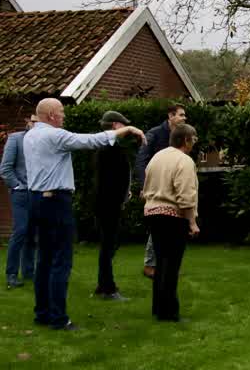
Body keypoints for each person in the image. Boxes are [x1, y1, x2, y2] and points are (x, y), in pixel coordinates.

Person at [24, 98, 145, 330]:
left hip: (36, 199)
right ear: (50, 115)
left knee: (45, 260)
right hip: (56, 201)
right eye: (61, 112)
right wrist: (126, 130)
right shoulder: (54, 136)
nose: (64, 116)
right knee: (61, 261)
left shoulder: (30, 136)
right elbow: (90, 140)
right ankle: (59, 319)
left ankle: (42, 313)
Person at [142, 123, 200, 322]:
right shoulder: (184, 161)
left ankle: (158, 308)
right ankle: (169, 312)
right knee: (171, 265)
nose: (194, 142)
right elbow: (185, 194)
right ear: (186, 140)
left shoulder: (157, 157)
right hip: (173, 216)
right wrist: (192, 222)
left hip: (152, 213)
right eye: (194, 138)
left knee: (160, 262)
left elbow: (146, 184)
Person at [135, 103, 187, 279]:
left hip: (173, 187)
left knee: (173, 226)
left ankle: (168, 264)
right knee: (158, 226)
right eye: (181, 115)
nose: (184, 118)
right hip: (156, 188)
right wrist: (144, 186)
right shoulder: (155, 134)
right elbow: (141, 161)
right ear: (170, 116)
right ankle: (150, 264)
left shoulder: (181, 135)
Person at [93, 111, 135, 300]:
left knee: (110, 245)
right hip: (108, 204)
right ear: (116, 126)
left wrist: (125, 192)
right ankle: (107, 288)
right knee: (108, 245)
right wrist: (120, 198)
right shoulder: (107, 149)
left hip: (110, 203)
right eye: (123, 125)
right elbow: (110, 181)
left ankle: (104, 284)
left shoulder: (110, 148)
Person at [1, 114, 38, 289]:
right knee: (20, 231)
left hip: (38, 192)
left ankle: (29, 271)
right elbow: (6, 168)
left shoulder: (43, 142)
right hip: (21, 193)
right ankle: (11, 273)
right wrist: (16, 186)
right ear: (28, 122)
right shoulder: (15, 139)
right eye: (34, 121)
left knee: (32, 233)